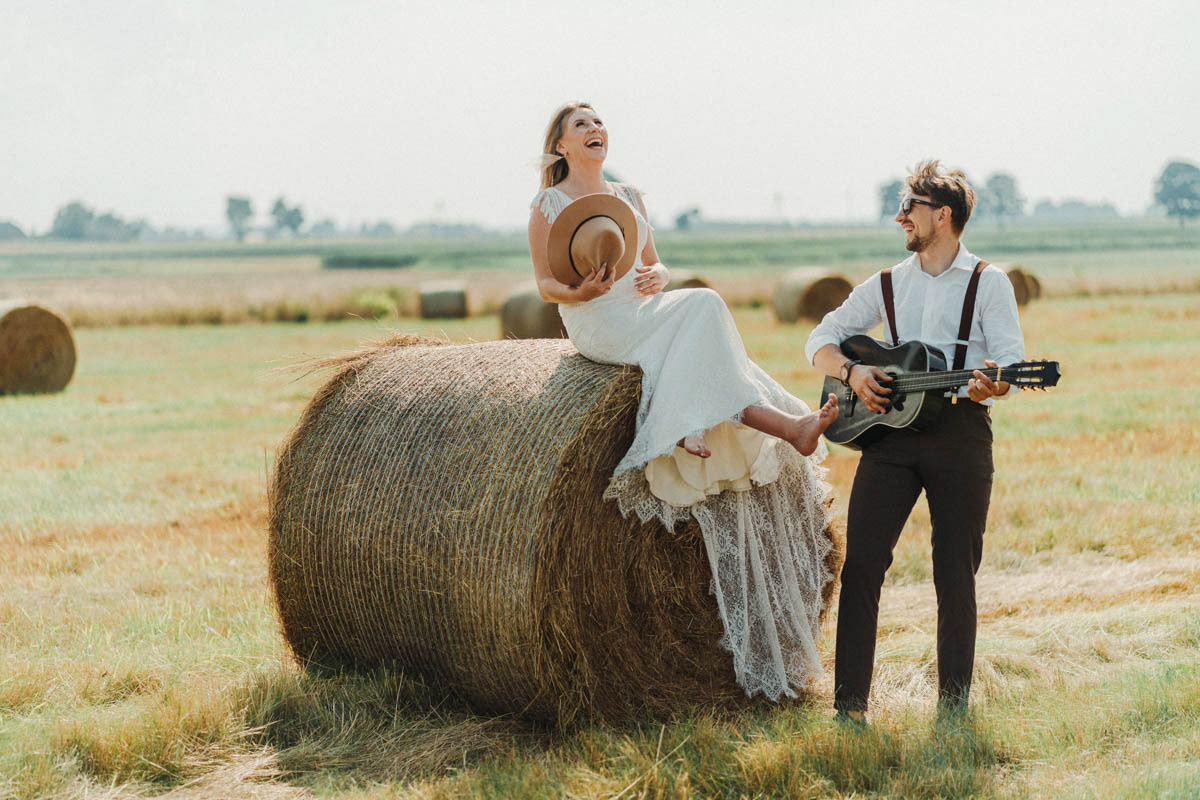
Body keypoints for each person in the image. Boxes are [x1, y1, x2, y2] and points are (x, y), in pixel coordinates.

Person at [527, 101, 838, 701]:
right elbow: (544, 283)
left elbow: (654, 265)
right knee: (703, 306)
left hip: (642, 308)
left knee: (698, 304)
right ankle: (726, 423)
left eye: (598, 122)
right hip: (598, 322)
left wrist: (658, 277)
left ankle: (767, 427)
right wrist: (580, 291)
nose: (595, 130)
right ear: (561, 145)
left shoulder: (630, 197)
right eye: (581, 125)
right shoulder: (549, 204)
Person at [805, 160, 1026, 722]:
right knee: (861, 568)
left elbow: (1011, 363)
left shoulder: (989, 282)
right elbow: (821, 337)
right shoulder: (886, 283)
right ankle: (849, 709)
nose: (899, 216)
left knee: (955, 573)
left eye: (909, 206)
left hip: (961, 432)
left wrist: (994, 384)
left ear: (942, 215)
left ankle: (953, 712)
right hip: (890, 439)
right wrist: (853, 372)